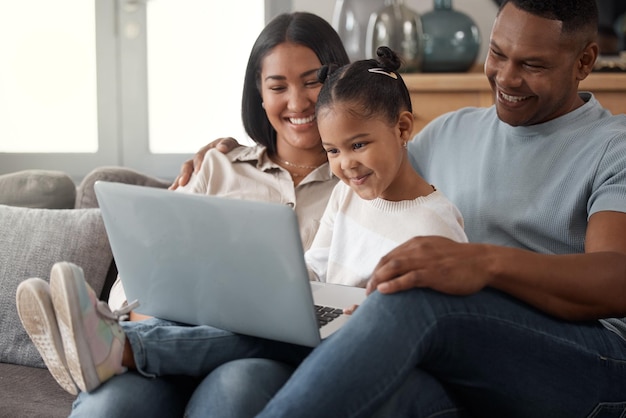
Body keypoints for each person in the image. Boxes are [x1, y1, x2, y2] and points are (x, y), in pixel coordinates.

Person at [179, 0, 626, 416]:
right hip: (459, 345)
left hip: (585, 355)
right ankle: (135, 345)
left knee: (409, 293)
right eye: (497, 54)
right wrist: (233, 154)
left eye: (532, 65)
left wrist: (481, 263)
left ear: (585, 61)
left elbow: (616, 279)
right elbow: (361, 158)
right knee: (297, 367)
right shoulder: (454, 130)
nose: (506, 78)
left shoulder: (613, 146)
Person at [17, 46, 470, 416]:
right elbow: (316, 265)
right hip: (328, 323)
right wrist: (281, 290)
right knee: (259, 322)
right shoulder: (349, 194)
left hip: (370, 340)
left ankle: (119, 347)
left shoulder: (433, 219)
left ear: (404, 128)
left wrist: (368, 316)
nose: (345, 164)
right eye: (334, 150)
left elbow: (437, 316)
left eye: (358, 145)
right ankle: (110, 341)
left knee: (255, 337)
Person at [15, 11, 349, 417]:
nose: (297, 102)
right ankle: (111, 342)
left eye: (313, 81)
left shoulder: (362, 182)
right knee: (111, 407)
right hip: (173, 333)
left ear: (339, 81)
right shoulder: (216, 167)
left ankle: (113, 344)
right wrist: (145, 306)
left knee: (236, 389)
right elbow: (140, 274)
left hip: (264, 356)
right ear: (259, 96)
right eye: (277, 86)